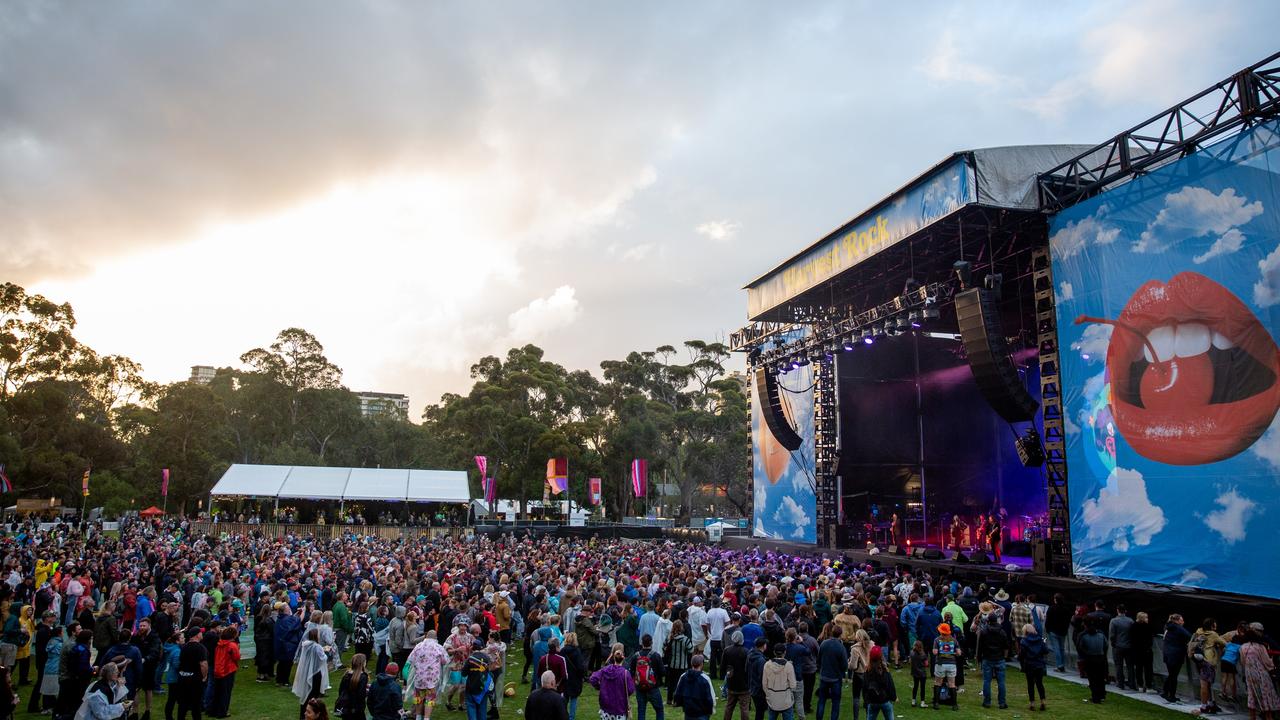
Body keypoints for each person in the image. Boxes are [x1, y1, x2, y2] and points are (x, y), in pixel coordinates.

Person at [1240, 624, 1279, 720]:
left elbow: (1242, 662)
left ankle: (1252, 718)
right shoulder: (1260, 647)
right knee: (1266, 696)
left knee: (1252, 696)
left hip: (1249, 674)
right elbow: (1267, 663)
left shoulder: (1242, 647)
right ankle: (1269, 717)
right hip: (1262, 675)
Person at [406, 631, 447, 720]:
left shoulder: (418, 646)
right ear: (435, 638)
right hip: (432, 678)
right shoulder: (438, 647)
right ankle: (426, 718)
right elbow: (445, 661)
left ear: (426, 636)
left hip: (419, 677)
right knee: (430, 698)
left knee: (419, 698)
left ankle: (418, 717)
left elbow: (410, 660)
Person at [294, 627, 331, 720]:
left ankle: (303, 715)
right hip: (315, 674)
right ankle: (313, 713)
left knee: (306, 695)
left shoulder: (306, 645)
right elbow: (322, 658)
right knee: (313, 696)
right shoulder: (316, 646)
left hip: (306, 672)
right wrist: (326, 651)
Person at [590, 646, 635, 720]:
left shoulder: (605, 670)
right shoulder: (625, 673)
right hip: (619, 707)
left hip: (606, 706)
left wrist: (599, 687)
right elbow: (630, 690)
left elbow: (593, 679)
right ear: (623, 658)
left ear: (614, 657)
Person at [1191, 617, 1226, 715]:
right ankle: (1204, 707)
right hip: (1208, 661)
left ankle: (1210, 704)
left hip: (1199, 660)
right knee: (1205, 685)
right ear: (1212, 625)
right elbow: (1224, 643)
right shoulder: (1213, 634)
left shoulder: (1198, 632)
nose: (1216, 625)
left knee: (1207, 684)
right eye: (1215, 624)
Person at [627, 634, 665, 720]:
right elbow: (663, 672)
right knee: (659, 710)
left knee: (641, 711)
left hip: (640, 688)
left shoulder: (636, 656)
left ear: (642, 643)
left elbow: (631, 671)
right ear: (651, 643)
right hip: (653, 687)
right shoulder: (656, 656)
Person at [176, 625, 208, 720]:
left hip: (182, 678)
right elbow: (203, 664)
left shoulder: (184, 647)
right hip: (194, 679)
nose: (202, 634)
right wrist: (204, 676)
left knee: (182, 704)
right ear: (197, 635)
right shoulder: (200, 648)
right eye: (201, 632)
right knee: (196, 705)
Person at [977, 612, 1008, 710]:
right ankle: (1002, 703)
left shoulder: (984, 631)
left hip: (987, 658)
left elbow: (980, 646)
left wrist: (978, 657)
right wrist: (1005, 657)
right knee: (1001, 682)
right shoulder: (1002, 631)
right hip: (999, 658)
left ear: (988, 620)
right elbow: (1006, 646)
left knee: (987, 681)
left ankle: (987, 702)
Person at [815, 625, 846, 720]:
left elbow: (818, 659)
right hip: (835, 678)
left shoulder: (824, 643)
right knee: (835, 703)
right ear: (840, 634)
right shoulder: (841, 647)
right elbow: (844, 665)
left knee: (821, 701)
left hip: (824, 676)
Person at [1075, 617, 1108, 704]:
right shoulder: (1100, 634)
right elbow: (1106, 645)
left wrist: (1085, 655)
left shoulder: (1083, 635)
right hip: (1100, 657)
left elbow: (1079, 648)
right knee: (1100, 677)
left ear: (1085, 624)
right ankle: (1101, 695)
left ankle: (1096, 697)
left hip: (1089, 658)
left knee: (1093, 678)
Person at [209, 626, 240, 718]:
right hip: (228, 670)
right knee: (226, 693)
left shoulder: (219, 643)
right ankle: (222, 711)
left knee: (217, 692)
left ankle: (214, 710)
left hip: (218, 670)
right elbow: (236, 657)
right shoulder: (232, 645)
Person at [1018, 623, 1049, 712]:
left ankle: (1032, 703)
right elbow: (1046, 651)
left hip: (1029, 665)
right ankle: (1043, 701)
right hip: (1039, 664)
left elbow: (1022, 655)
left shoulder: (1024, 641)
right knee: (1040, 684)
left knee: (1030, 685)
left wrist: (1020, 659)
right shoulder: (1040, 640)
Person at [674, 654, 715, 720]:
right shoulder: (705, 678)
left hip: (688, 711)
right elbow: (710, 697)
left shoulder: (683, 676)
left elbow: (678, 693)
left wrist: (679, 703)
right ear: (701, 664)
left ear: (691, 663)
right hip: (702, 712)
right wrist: (711, 709)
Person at [763, 642, 797, 720]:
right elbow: (793, 685)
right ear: (785, 652)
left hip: (773, 700)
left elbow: (764, 685)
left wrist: (768, 695)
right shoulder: (789, 666)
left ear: (774, 652)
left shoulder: (767, 665)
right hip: (785, 701)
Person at [1162, 614, 1192, 703]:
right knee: (1173, 676)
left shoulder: (1167, 627)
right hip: (1175, 655)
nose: (1183, 622)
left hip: (1167, 654)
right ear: (1177, 621)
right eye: (1182, 620)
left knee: (1171, 674)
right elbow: (1189, 636)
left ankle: (1165, 692)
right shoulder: (1178, 628)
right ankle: (1171, 696)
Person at [722, 630, 751, 720]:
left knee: (729, 707)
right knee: (744, 708)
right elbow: (749, 669)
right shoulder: (746, 652)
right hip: (743, 684)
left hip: (731, 682)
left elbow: (723, 667)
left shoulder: (727, 650)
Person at [861, 646, 895, 720]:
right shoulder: (884, 670)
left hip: (873, 701)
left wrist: (866, 701)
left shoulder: (867, 671)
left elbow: (864, 688)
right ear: (881, 657)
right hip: (884, 700)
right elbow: (890, 686)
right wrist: (893, 697)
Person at [931, 623, 959, 711]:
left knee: (938, 682)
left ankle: (936, 703)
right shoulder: (954, 640)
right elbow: (959, 653)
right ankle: (954, 705)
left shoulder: (937, 640)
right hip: (952, 664)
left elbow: (935, 652)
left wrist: (939, 650)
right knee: (952, 684)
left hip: (940, 663)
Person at [463, 638, 493, 720]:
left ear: (472, 647)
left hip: (471, 687)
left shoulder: (470, 659)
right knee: (482, 709)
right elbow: (488, 670)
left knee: (471, 707)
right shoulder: (486, 658)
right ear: (481, 647)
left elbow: (463, 673)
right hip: (483, 687)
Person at [275, 605, 303, 687]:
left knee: (281, 663)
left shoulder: (280, 618)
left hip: (281, 645)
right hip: (287, 646)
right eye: (288, 609)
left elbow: (292, 621)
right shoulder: (286, 620)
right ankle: (285, 681)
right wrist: (303, 612)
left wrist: (295, 615)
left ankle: (279, 680)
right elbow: (297, 622)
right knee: (287, 664)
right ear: (285, 611)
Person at [334, 652, 368, 720]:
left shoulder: (346, 675)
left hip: (345, 707)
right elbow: (361, 694)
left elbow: (341, 691)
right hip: (357, 708)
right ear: (362, 663)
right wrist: (367, 691)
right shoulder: (363, 676)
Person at [562, 632, 588, 720]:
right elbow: (580, 667)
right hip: (575, 679)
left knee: (565, 698)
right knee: (573, 699)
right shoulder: (577, 651)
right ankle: (571, 717)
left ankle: (563, 715)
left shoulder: (562, 651)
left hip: (565, 678)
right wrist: (583, 676)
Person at [1108, 604, 1134, 690]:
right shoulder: (1130, 621)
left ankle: (1121, 683)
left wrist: (1113, 643)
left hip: (1118, 646)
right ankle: (1131, 683)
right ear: (1125, 611)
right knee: (1130, 665)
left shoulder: (1114, 621)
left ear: (1117, 610)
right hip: (1128, 646)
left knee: (1119, 665)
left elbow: (1112, 635)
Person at [1131, 611, 1155, 694]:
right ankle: (1148, 686)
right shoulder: (1148, 627)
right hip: (1146, 651)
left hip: (1137, 651)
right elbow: (1150, 639)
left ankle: (1140, 685)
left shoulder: (1133, 626)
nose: (1147, 619)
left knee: (1138, 669)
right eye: (1146, 617)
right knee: (1148, 669)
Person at [908, 640, 927, 708]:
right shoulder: (923, 654)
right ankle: (922, 702)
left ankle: (913, 701)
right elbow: (926, 664)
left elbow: (910, 662)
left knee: (915, 687)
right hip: (922, 673)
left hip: (915, 673)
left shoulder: (911, 653)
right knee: (922, 688)